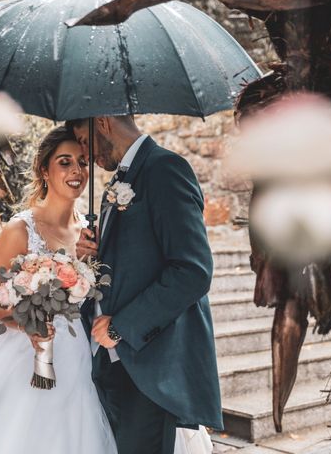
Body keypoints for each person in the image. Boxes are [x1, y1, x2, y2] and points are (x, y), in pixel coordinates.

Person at [0, 125, 212, 454]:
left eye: (83, 161)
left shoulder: (92, 230)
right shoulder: (20, 228)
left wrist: (84, 264)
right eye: (65, 162)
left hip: (88, 355)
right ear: (44, 169)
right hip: (29, 353)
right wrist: (31, 319)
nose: (77, 171)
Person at [71, 116, 222, 454]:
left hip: (152, 362)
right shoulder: (121, 181)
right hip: (117, 363)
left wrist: (121, 327)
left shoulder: (165, 169)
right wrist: (94, 252)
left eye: (84, 140)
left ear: (105, 123)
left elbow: (192, 270)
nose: (84, 153)